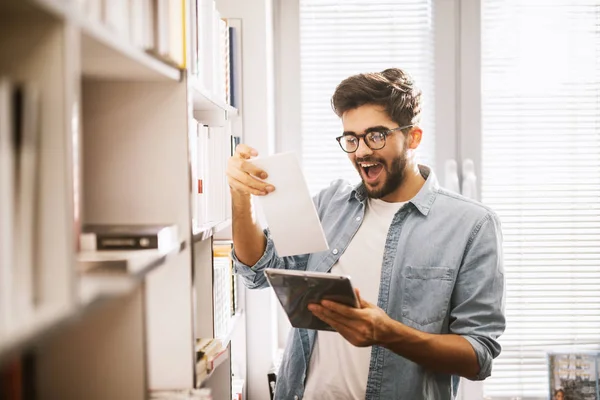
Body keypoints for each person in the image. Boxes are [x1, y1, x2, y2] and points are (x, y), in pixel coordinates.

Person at [227, 68, 506, 400]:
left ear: (413, 137)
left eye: (376, 135)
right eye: (352, 138)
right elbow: (257, 271)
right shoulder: (330, 204)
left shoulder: (472, 225)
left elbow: (479, 356)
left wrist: (389, 334)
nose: (360, 152)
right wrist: (240, 197)